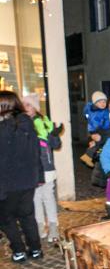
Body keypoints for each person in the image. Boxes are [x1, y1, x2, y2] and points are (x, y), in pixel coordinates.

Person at [0, 91, 44, 262]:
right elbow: (36, 152)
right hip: (27, 181)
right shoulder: (28, 123)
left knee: (6, 218)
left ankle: (19, 251)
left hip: (7, 183)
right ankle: (35, 250)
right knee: (27, 216)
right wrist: (38, 176)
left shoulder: (3, 128)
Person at [22, 94, 62, 242]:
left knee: (48, 197)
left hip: (46, 167)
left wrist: (54, 135)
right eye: (23, 105)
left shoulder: (45, 123)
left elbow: (56, 145)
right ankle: (39, 225)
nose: (25, 108)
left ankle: (53, 226)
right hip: (29, 168)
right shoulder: (20, 124)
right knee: (35, 198)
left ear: (35, 108)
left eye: (28, 105)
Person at [81, 91, 110, 168]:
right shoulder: (91, 108)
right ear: (95, 103)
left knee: (97, 143)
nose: (103, 104)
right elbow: (85, 113)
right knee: (99, 142)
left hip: (97, 129)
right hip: (96, 129)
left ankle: (88, 156)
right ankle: (90, 156)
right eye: (100, 102)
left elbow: (106, 120)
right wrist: (88, 118)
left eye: (104, 102)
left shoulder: (104, 111)